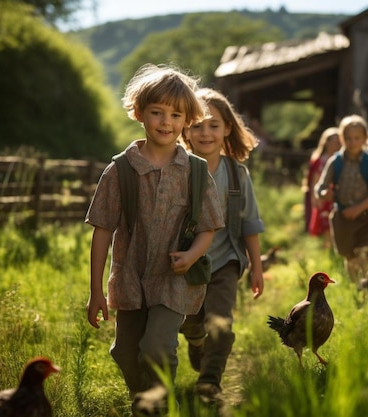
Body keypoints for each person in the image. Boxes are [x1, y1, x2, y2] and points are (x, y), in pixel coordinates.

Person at [84, 64, 225, 410]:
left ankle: (159, 406)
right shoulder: (120, 170)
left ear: (187, 119)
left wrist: (192, 256)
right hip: (130, 279)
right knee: (124, 352)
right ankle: (144, 397)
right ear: (139, 113)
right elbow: (102, 230)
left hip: (175, 281)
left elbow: (208, 226)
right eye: (157, 112)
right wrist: (95, 291)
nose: (166, 122)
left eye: (175, 114)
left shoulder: (195, 171)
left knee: (157, 349)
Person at [181, 88, 265, 403]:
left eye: (213, 125)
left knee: (221, 320)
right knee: (191, 324)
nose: (206, 132)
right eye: (198, 125)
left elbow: (250, 223)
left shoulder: (236, 173)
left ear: (227, 128)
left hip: (225, 260)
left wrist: (256, 267)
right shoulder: (179, 169)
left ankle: (210, 382)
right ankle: (195, 340)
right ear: (186, 129)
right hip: (187, 263)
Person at [314, 114, 368, 282]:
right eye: (348, 138)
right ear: (341, 138)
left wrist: (358, 208)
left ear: (365, 138)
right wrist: (324, 194)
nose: (352, 142)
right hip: (343, 218)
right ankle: (355, 288)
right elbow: (320, 187)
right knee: (350, 256)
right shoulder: (335, 162)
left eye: (357, 138)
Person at [305, 127, 340, 247]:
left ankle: (332, 250)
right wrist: (316, 198)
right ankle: (327, 251)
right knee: (325, 226)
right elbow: (315, 180)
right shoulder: (321, 161)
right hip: (324, 196)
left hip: (334, 196)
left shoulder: (339, 160)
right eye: (335, 142)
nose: (337, 145)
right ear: (327, 143)